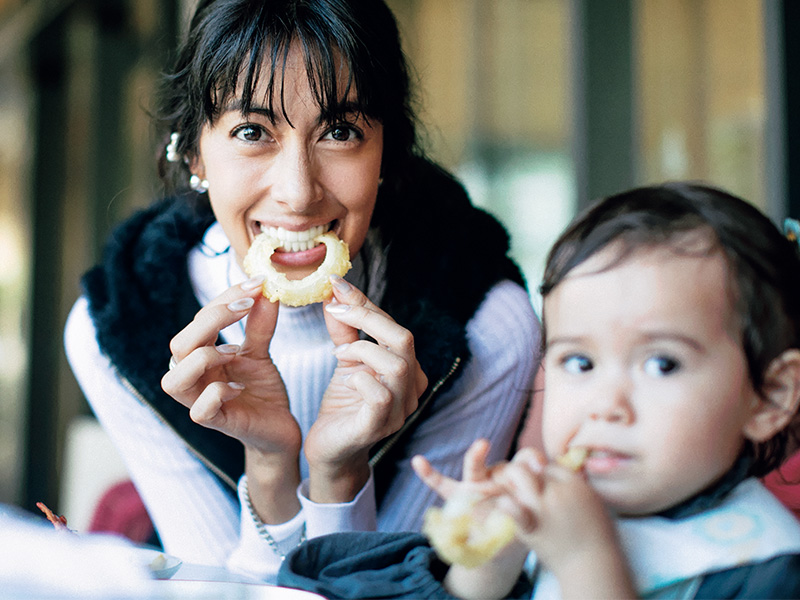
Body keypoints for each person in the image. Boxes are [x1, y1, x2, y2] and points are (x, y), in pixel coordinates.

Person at [63, 0, 540, 582]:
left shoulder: (487, 331)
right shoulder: (114, 332)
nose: (297, 191)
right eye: (251, 131)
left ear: (386, 152)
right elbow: (218, 593)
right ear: (193, 152)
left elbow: (404, 593)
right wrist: (269, 466)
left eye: (340, 131)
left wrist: (339, 473)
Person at [277, 182, 800, 599]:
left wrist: (584, 561)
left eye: (662, 364)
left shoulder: (771, 568)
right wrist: (483, 569)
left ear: (771, 397)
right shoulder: (551, 513)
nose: (605, 405)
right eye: (580, 361)